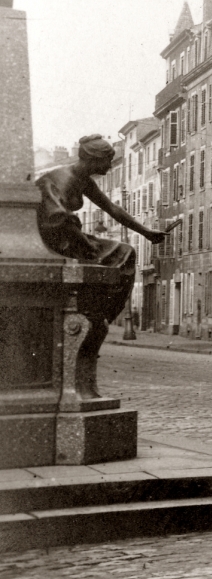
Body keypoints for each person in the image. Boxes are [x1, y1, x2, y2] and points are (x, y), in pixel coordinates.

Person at [35, 134, 176, 399]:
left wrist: (146, 233)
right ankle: (95, 310)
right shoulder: (61, 177)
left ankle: (102, 312)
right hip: (56, 238)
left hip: (71, 236)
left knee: (126, 252)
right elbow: (55, 218)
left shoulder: (83, 180)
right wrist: (83, 243)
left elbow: (112, 208)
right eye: (107, 161)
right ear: (92, 159)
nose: (109, 167)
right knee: (116, 254)